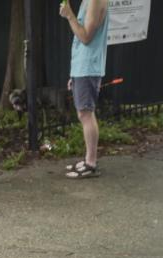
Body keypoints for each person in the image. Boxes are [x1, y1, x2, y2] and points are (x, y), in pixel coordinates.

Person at [59, 0, 108, 177]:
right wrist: (74, 72)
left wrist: (69, 15)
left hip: (88, 66)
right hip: (82, 66)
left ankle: (91, 163)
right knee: (83, 113)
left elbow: (86, 37)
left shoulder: (95, 1)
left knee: (86, 113)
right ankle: (88, 160)